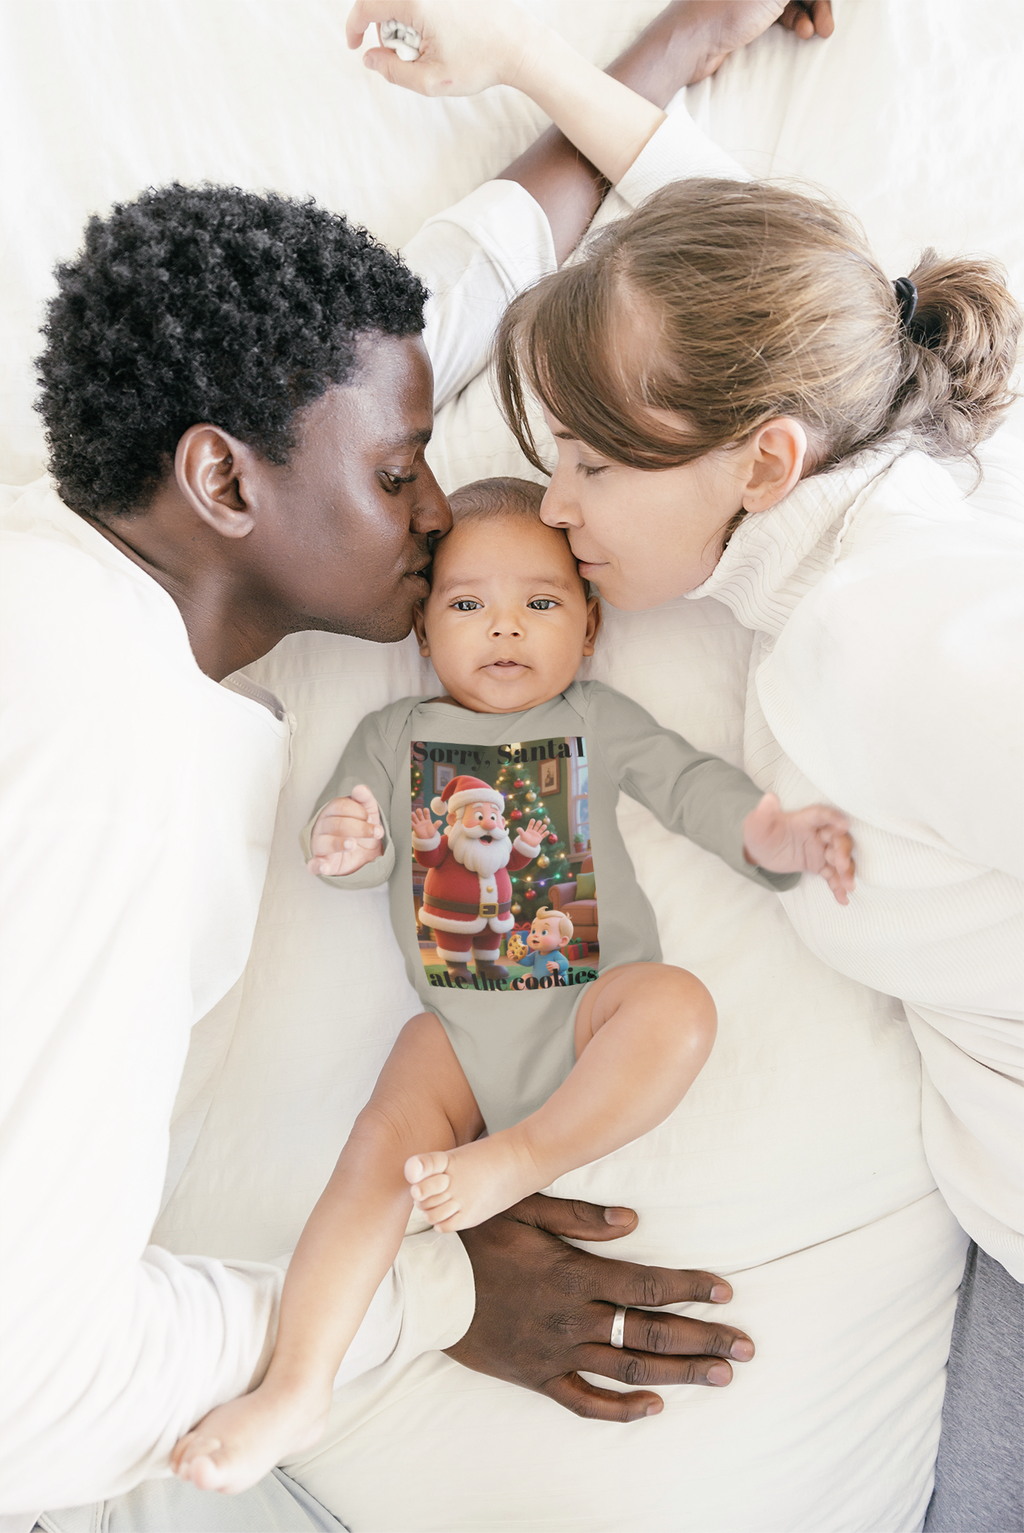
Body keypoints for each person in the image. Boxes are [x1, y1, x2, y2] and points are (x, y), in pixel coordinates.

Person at [2, 3, 838, 1526]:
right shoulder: (103, 764)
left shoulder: (89, 562)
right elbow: (23, 1397)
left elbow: (431, 309)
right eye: (403, 478)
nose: (450, 512)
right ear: (219, 477)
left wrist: (670, 51)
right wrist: (428, 1298)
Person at [351, 8, 1024, 1526]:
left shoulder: (881, 636)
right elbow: (714, 247)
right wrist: (524, 64)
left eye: (593, 461)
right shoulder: (886, 454)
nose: (553, 502)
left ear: (763, 461)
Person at [170, 481, 855, 1492]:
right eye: (465, 604)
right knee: (371, 1158)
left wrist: (771, 834)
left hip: (591, 1009)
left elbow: (685, 784)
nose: (502, 624)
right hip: (457, 1031)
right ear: (421, 634)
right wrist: (343, 839)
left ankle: (520, 1156)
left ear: (587, 631)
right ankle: (297, 1384)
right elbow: (355, 849)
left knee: (676, 1005)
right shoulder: (395, 739)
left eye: (539, 602)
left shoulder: (594, 720)